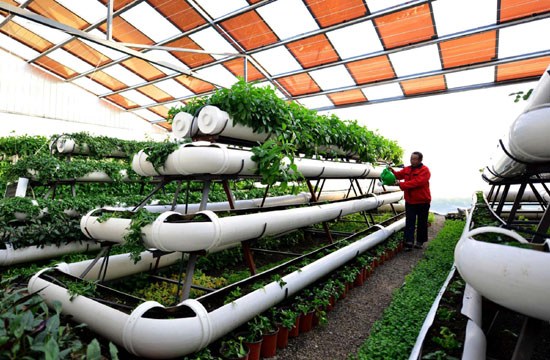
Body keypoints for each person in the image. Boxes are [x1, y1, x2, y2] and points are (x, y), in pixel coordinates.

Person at [390, 151, 431, 251]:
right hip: (410, 201)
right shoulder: (407, 169)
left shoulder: (425, 171)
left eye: (415, 159)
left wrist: (400, 185)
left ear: (420, 160)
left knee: (422, 222)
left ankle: (420, 242)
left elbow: (416, 183)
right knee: (409, 222)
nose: (412, 160)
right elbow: (399, 175)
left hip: (423, 201)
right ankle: (409, 242)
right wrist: (391, 171)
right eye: (411, 158)